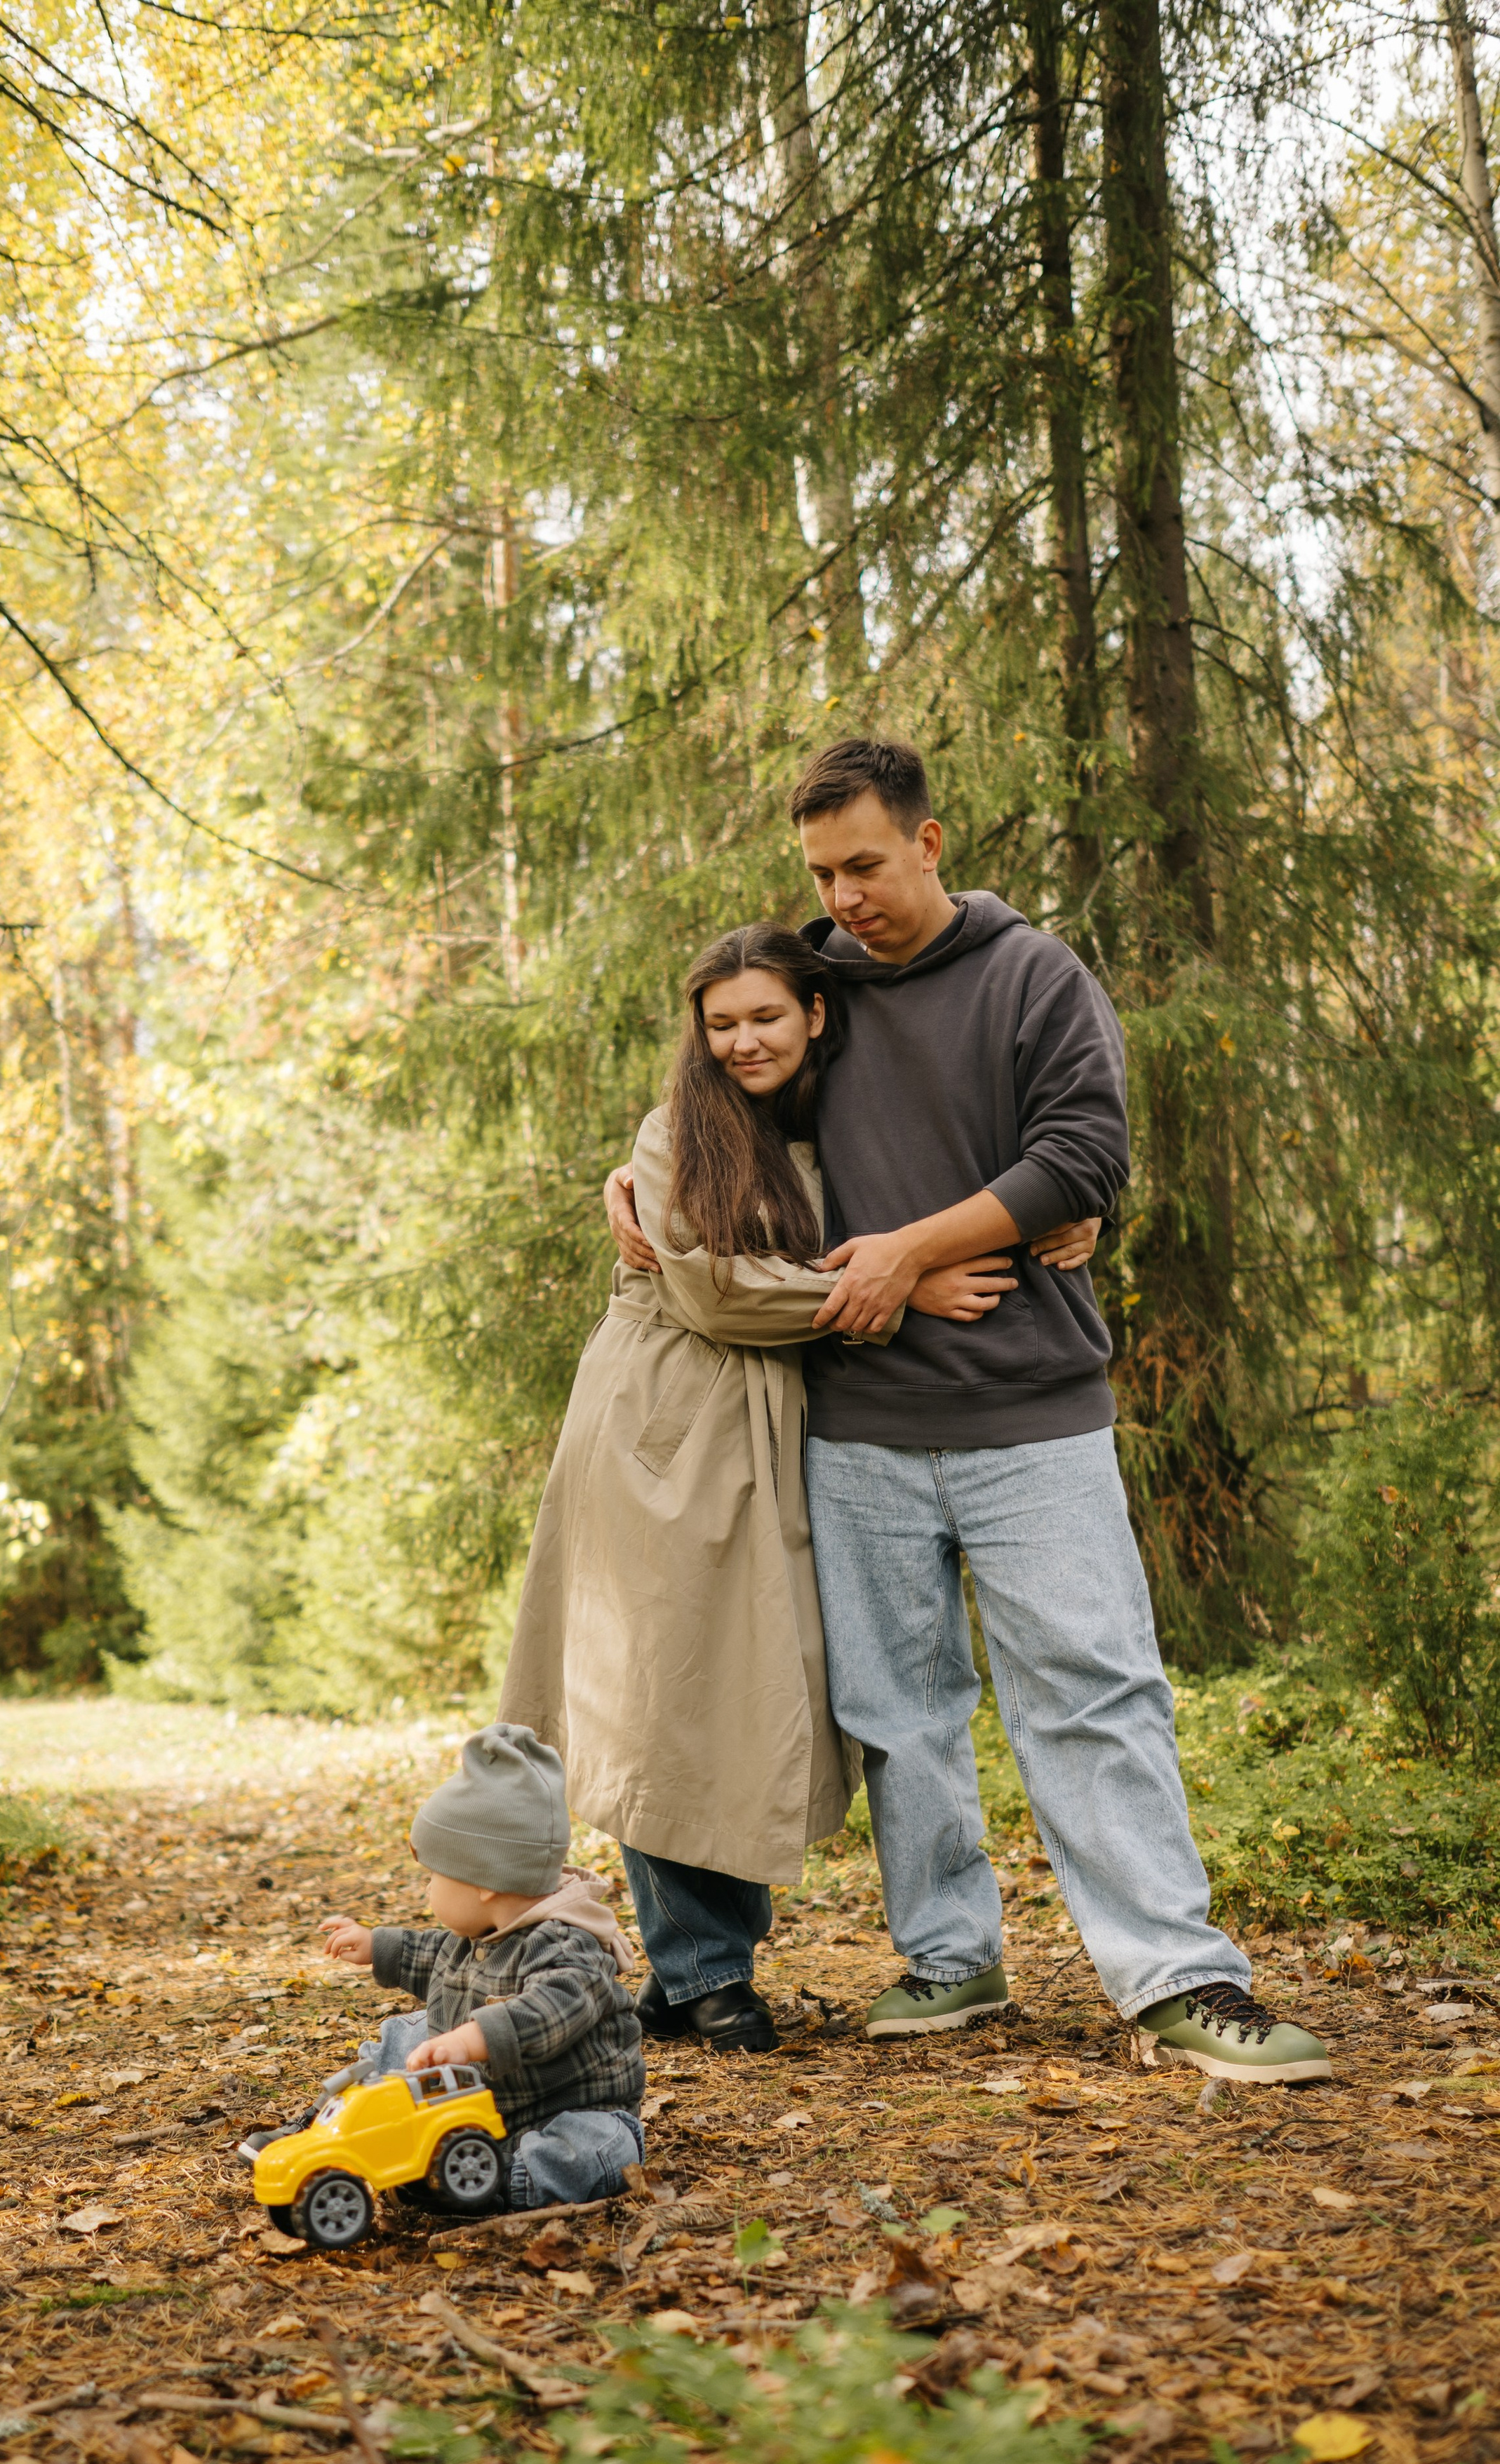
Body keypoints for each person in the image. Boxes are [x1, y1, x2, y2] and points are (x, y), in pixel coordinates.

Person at [608, 739, 1330, 2087]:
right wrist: (633, 1168)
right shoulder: (818, 989)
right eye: (822, 872)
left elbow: (1082, 1152)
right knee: (902, 1712)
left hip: (1032, 1419)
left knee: (1096, 1693)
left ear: (931, 844)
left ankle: (1178, 1973)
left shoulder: (1031, 976)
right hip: (859, 1429)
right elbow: (729, 1085)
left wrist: (910, 1248)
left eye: (867, 866)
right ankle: (953, 1955)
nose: (847, 896)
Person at [504, 922, 1099, 2054]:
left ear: (815, 1015)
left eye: (765, 1016)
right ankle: (703, 1968)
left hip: (773, 1428)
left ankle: (692, 1974)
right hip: (664, 1431)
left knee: (739, 1696)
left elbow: (975, 1164)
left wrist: (1069, 1202)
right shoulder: (680, 1130)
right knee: (670, 1693)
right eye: (719, 1023)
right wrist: (906, 1286)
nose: (741, 1041)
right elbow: (719, 1293)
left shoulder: (834, 1117)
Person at [319, 1721, 647, 2207]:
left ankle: (495, 2187)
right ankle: (336, 2126)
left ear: (484, 1882)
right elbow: (433, 1958)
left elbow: (553, 2009)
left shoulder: (568, 1945)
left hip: (563, 2107)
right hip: (480, 2105)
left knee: (600, 2147)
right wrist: (378, 1945)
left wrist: (474, 2038)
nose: (428, 1890)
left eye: (433, 1876)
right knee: (403, 2036)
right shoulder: (478, 1934)